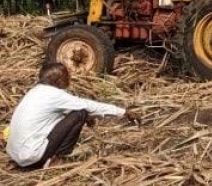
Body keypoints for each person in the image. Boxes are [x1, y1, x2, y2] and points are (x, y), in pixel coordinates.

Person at [6, 63, 139, 169]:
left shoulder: (35, 92)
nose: (70, 78)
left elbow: (55, 117)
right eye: (66, 76)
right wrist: (122, 112)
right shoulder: (54, 95)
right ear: (58, 80)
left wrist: (88, 118)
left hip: (17, 155)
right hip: (32, 156)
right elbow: (87, 105)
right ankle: (57, 160)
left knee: (79, 113)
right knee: (80, 113)